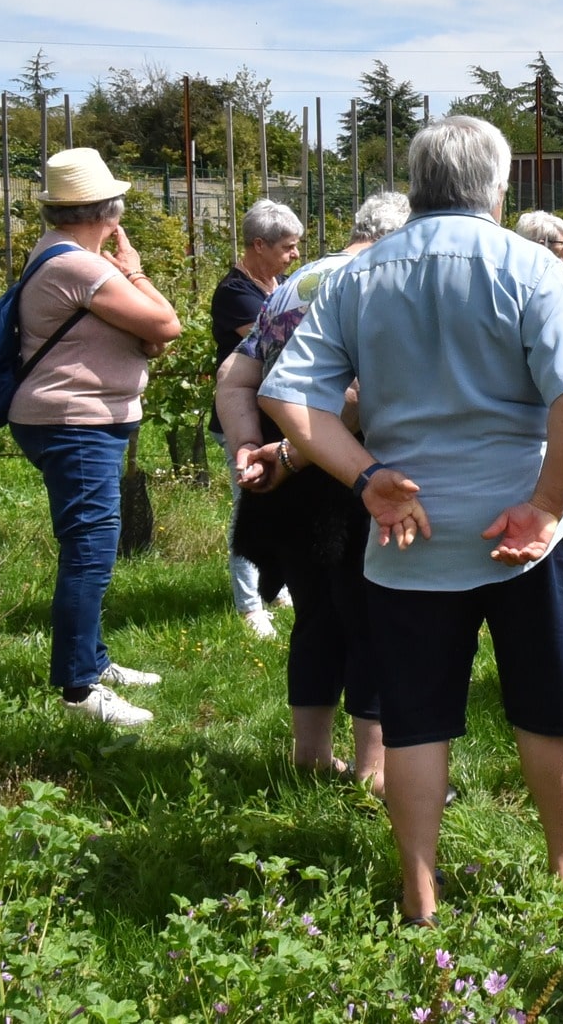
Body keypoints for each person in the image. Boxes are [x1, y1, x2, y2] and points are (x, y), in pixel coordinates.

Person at [260, 117, 563, 925]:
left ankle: (419, 895)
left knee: (415, 717)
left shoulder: (356, 275)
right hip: (524, 534)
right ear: (498, 186)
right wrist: (547, 505)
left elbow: (286, 395)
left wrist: (368, 476)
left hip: (405, 535)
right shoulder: (531, 267)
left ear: (415, 185)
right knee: (546, 704)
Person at [215, 191, 411, 789]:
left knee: (315, 618)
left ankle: (310, 754)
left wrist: (250, 447)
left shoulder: (299, 278)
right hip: (348, 478)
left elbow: (234, 373)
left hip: (286, 482)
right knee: (371, 620)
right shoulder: (377, 281)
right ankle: (374, 770)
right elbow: (354, 399)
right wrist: (295, 456)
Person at [10, 148, 182, 728]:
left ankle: (92, 659)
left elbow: (151, 335)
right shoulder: (81, 267)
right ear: (107, 210)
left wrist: (143, 328)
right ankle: (80, 689)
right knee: (89, 552)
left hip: (85, 421)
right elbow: (166, 324)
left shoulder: (64, 258)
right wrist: (133, 270)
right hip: (74, 423)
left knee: (92, 548)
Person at [211, 198, 304, 639]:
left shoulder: (279, 285)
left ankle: (277, 584)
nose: (295, 256)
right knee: (249, 505)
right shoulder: (235, 294)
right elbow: (278, 345)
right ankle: (250, 606)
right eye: (287, 247)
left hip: (276, 418)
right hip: (240, 422)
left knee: (281, 504)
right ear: (258, 245)